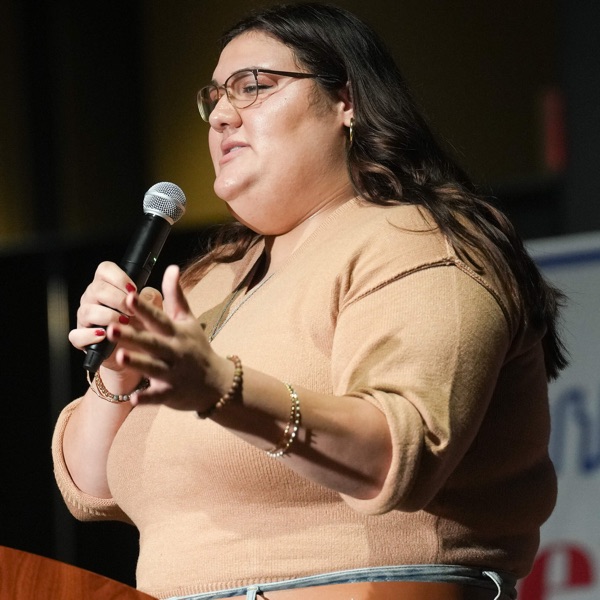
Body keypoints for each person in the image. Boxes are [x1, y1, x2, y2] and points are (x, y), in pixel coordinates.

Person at [52, 3, 567, 600]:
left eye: (252, 87)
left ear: (345, 100)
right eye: (214, 98)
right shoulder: (209, 279)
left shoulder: (418, 240)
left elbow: (395, 456)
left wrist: (220, 386)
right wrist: (117, 370)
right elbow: (92, 489)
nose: (221, 115)